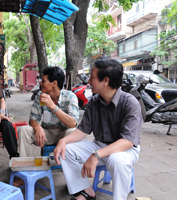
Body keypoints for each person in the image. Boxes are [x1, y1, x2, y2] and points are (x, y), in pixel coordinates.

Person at [54, 59, 142, 200]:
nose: (89, 80)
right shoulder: (94, 102)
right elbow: (83, 130)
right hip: (100, 145)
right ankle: (85, 192)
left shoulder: (130, 103)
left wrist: (96, 155)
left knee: (116, 160)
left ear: (105, 80)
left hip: (125, 151)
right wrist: (63, 141)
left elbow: (127, 142)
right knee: (67, 150)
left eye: (92, 77)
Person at [18, 66, 79, 157]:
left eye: (43, 81)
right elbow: (33, 119)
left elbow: (73, 123)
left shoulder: (70, 96)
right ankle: (25, 166)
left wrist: (53, 107)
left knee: (73, 131)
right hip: (46, 134)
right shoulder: (40, 95)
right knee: (23, 130)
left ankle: (69, 165)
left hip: (63, 134)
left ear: (54, 83)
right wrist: (38, 128)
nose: (40, 83)